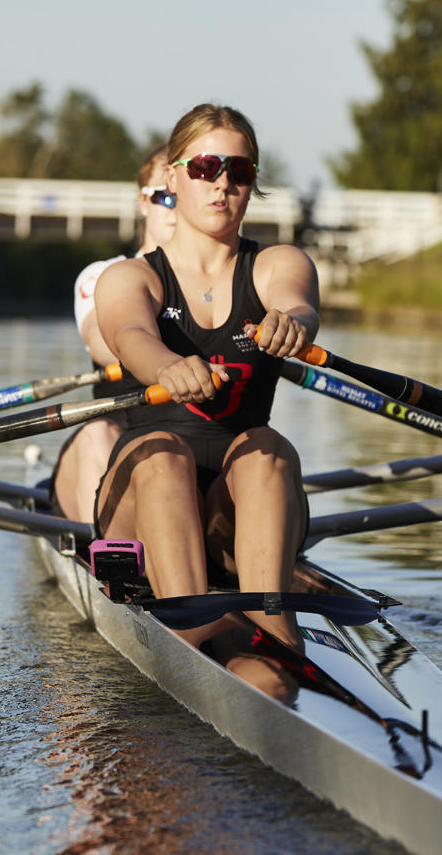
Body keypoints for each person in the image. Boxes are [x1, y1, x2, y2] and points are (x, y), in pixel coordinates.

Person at [92, 103, 320, 648]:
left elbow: (298, 303)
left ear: (252, 183)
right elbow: (131, 335)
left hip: (234, 509)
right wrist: (166, 366)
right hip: (141, 502)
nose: (222, 183)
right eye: (204, 167)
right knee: (162, 453)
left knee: (267, 447)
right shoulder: (129, 277)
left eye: (238, 171)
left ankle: (276, 633)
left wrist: (293, 324)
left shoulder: (278, 264)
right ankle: (191, 632)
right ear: (173, 178)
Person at [50, 146, 177, 523]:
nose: (176, 209)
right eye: (166, 197)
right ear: (143, 202)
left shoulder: (225, 284)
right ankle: (105, 550)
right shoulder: (104, 274)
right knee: (97, 432)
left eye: (185, 197)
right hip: (115, 438)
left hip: (186, 448)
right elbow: (102, 344)